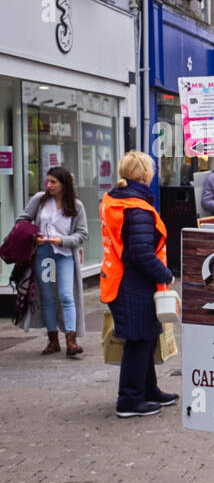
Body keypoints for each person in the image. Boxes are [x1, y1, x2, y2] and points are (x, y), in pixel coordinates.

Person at [99, 151, 177, 416]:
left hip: (119, 278)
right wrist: (165, 275)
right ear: (145, 175)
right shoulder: (137, 207)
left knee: (145, 335)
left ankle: (148, 390)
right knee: (138, 339)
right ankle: (130, 399)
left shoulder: (114, 200)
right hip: (132, 282)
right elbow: (141, 253)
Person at [18, 166, 88, 356]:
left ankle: (71, 341)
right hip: (44, 254)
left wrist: (62, 240)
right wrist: (34, 236)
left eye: (53, 182)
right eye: (47, 181)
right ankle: (52, 340)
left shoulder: (76, 205)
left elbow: (82, 234)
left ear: (64, 184)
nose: (49, 185)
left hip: (64, 255)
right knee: (47, 297)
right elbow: (22, 221)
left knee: (66, 295)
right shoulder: (39, 200)